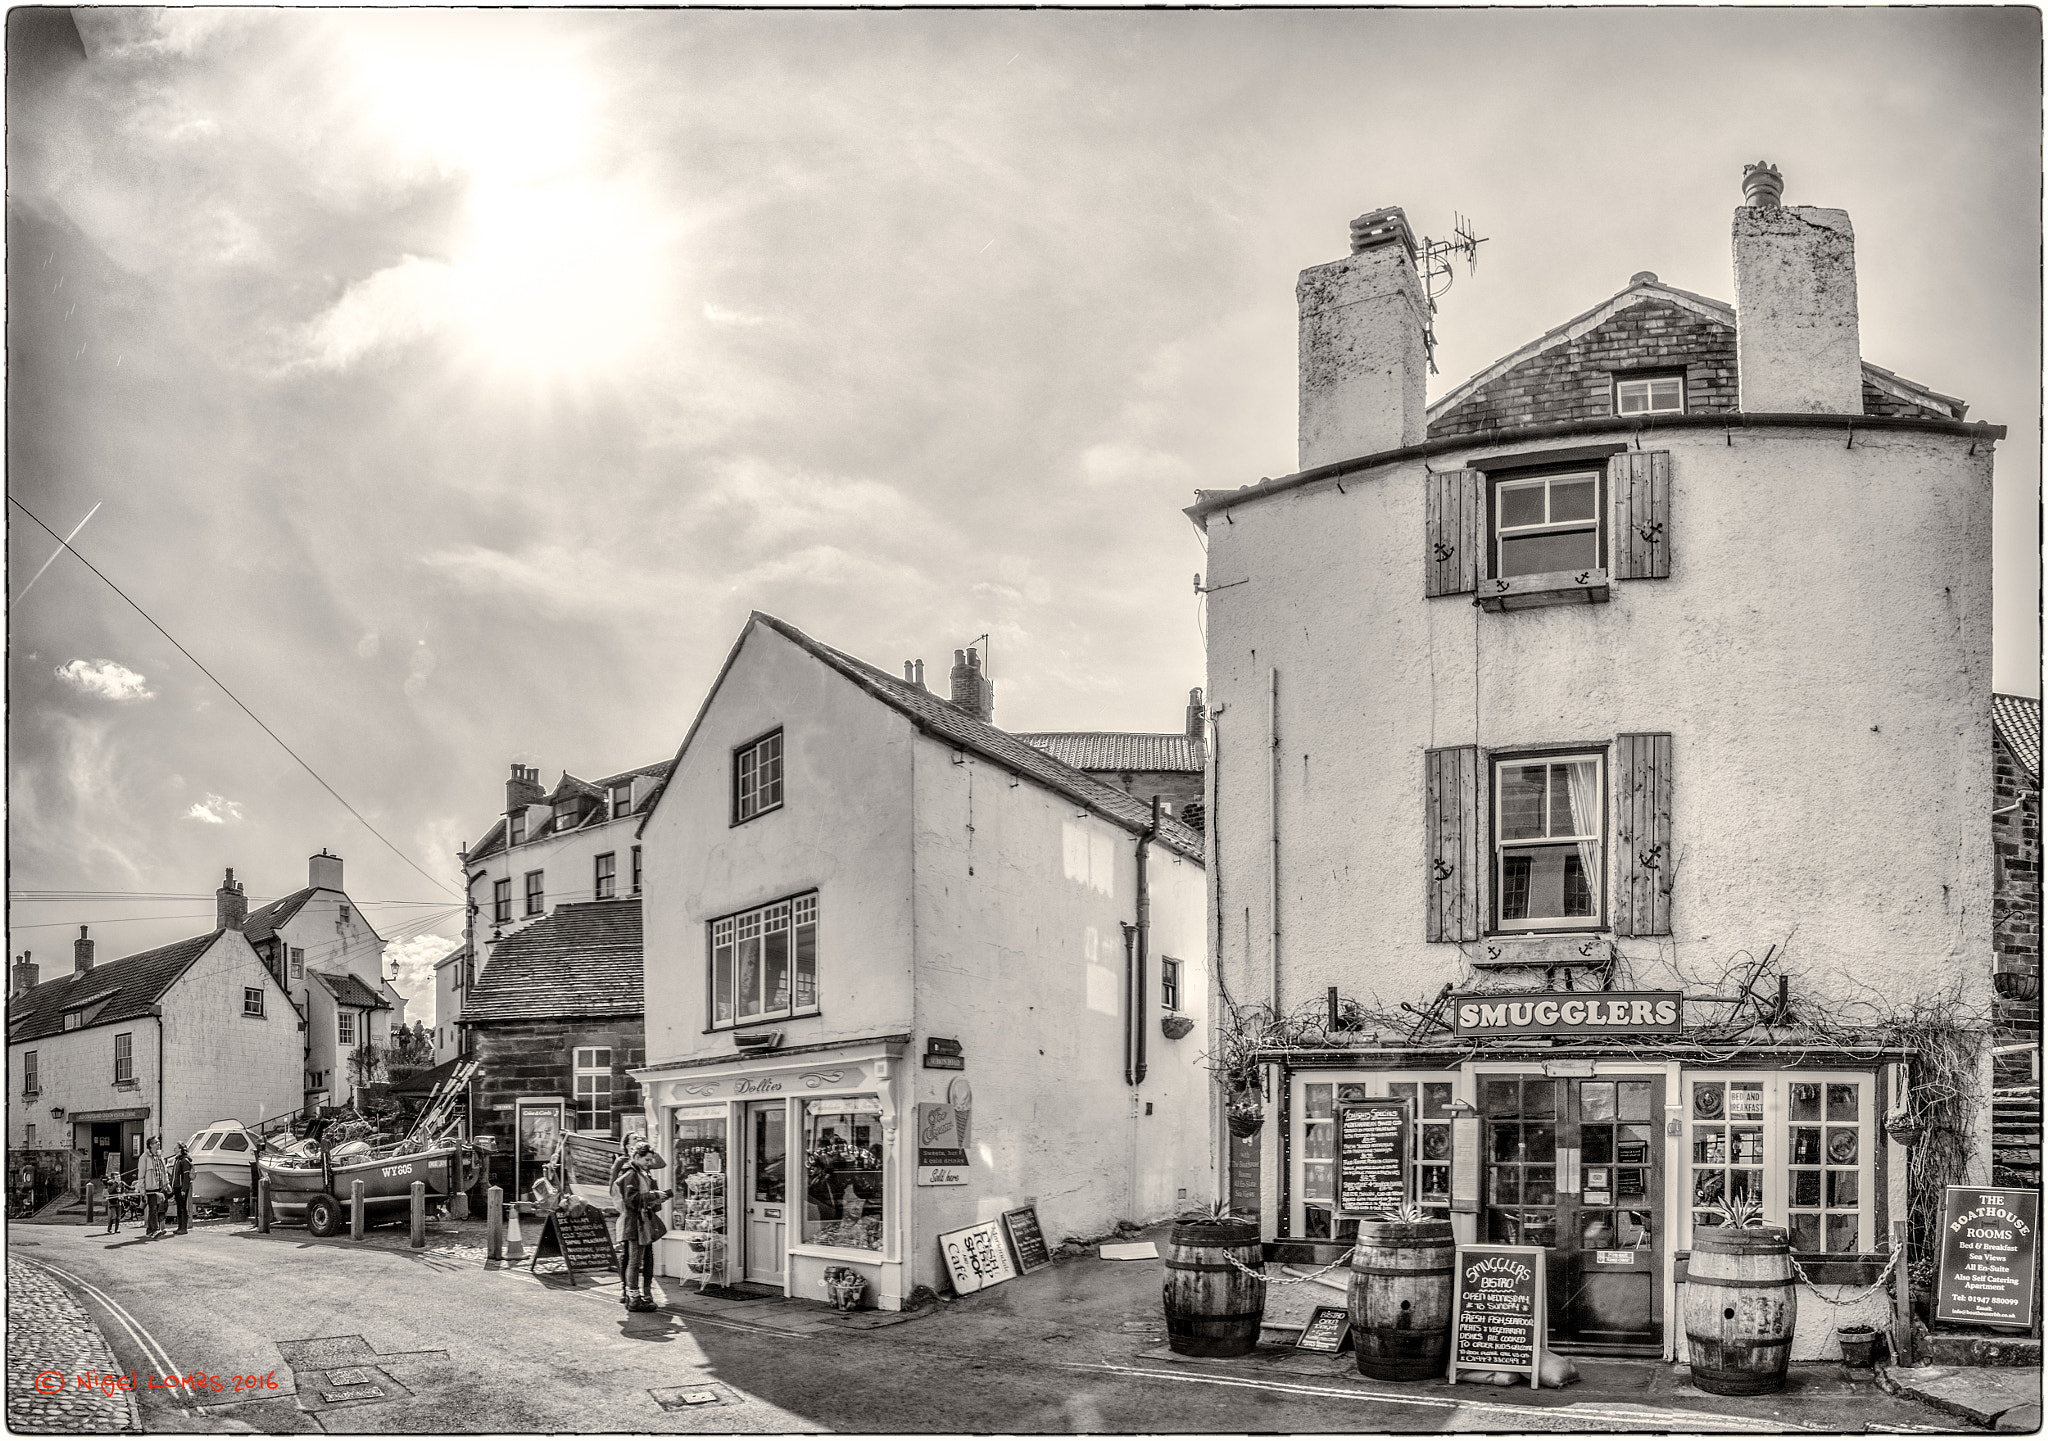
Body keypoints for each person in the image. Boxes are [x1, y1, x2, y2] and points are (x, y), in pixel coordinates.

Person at [615, 1144, 671, 1312]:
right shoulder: (631, 1174)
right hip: (634, 1223)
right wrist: (653, 1195)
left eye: (651, 1159)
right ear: (636, 1158)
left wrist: (655, 1198)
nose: (650, 1162)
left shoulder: (639, 1173)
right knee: (634, 1261)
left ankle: (636, 1296)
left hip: (640, 1222)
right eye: (647, 1159)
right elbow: (631, 1200)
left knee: (636, 1260)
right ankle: (634, 1299)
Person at [138, 1137, 169, 1238]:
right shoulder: (144, 1157)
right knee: (153, 1209)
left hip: (159, 1187)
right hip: (150, 1188)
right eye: (156, 1142)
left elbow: (164, 1172)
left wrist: (166, 1184)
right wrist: (142, 1190)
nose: (159, 1143)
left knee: (158, 1208)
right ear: (151, 1145)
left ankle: (150, 1231)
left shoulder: (160, 1156)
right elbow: (141, 1175)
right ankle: (155, 1229)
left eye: (159, 1142)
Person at [170, 1142, 193, 1235]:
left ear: (180, 1149)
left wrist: (184, 1189)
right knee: (179, 1207)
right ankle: (180, 1227)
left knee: (183, 1207)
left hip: (181, 1187)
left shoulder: (184, 1161)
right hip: (176, 1187)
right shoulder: (177, 1160)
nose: (174, 1148)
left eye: (176, 1147)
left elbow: (186, 1176)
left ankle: (184, 1227)